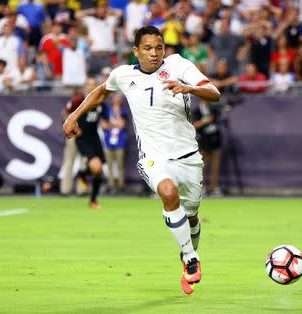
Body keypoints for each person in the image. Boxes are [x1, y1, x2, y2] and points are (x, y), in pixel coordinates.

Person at [62, 26, 220, 295]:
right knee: (168, 193)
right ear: (136, 51)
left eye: (159, 48)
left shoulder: (179, 65)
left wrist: (188, 88)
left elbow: (214, 92)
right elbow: (101, 92)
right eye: (147, 48)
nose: (154, 53)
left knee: (191, 216)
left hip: (188, 157)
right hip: (153, 157)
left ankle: (187, 253)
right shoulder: (123, 75)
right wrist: (73, 115)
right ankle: (191, 258)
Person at [64, 77, 108, 207]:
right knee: (95, 166)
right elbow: (65, 114)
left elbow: (104, 117)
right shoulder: (78, 100)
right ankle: (67, 189)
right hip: (81, 138)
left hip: (95, 138)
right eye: (88, 84)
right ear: (84, 87)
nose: (91, 86)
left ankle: (91, 196)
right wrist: (73, 127)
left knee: (99, 171)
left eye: (93, 84)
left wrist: (108, 124)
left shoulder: (100, 100)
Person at [101, 93, 128, 194]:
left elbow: (122, 124)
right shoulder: (107, 110)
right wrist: (114, 123)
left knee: (120, 164)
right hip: (108, 140)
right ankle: (111, 184)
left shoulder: (123, 111)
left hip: (120, 141)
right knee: (109, 164)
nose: (116, 101)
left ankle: (121, 185)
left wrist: (116, 114)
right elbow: (104, 125)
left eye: (118, 99)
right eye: (115, 99)